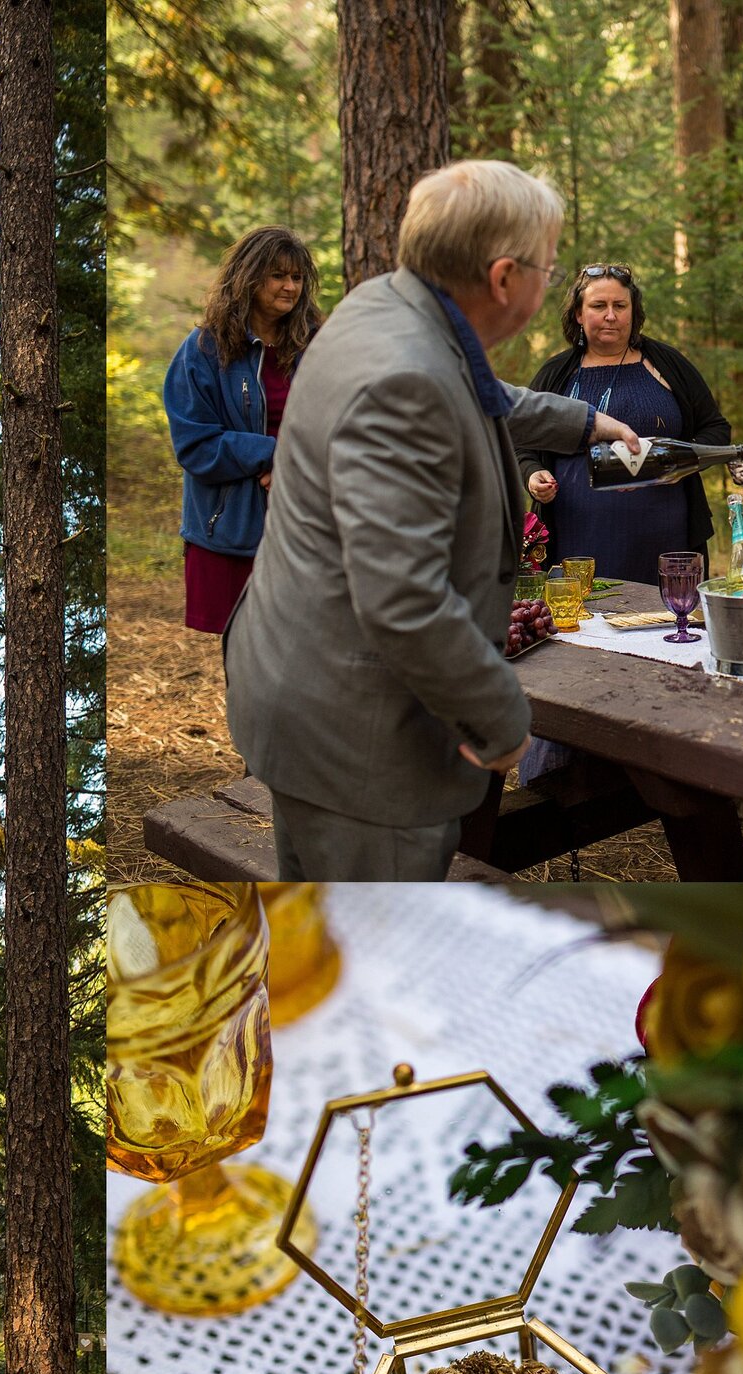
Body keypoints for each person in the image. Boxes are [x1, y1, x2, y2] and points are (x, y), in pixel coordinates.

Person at [223, 160, 639, 879]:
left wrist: (585, 420)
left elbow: (474, 389)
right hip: (360, 741)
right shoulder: (405, 381)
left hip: (305, 687)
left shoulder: (385, 305)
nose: (550, 282)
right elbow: (403, 597)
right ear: (506, 277)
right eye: (548, 267)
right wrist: (502, 720)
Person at [519, 262, 732, 584]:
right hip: (575, 538)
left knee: (665, 620)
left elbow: (716, 429)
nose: (610, 315)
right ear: (578, 313)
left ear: (634, 312)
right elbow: (524, 439)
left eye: (620, 306)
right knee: (583, 626)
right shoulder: (556, 374)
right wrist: (532, 474)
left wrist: (681, 461)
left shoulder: (667, 365)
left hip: (664, 536)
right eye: (598, 306)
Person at [163, 225, 324, 634]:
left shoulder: (318, 344)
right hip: (231, 527)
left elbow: (344, 422)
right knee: (245, 654)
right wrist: (272, 454)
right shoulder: (204, 349)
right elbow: (196, 445)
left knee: (307, 651)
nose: (290, 287)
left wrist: (298, 461)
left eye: (297, 277)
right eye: (278, 276)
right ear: (249, 278)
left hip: (308, 524)